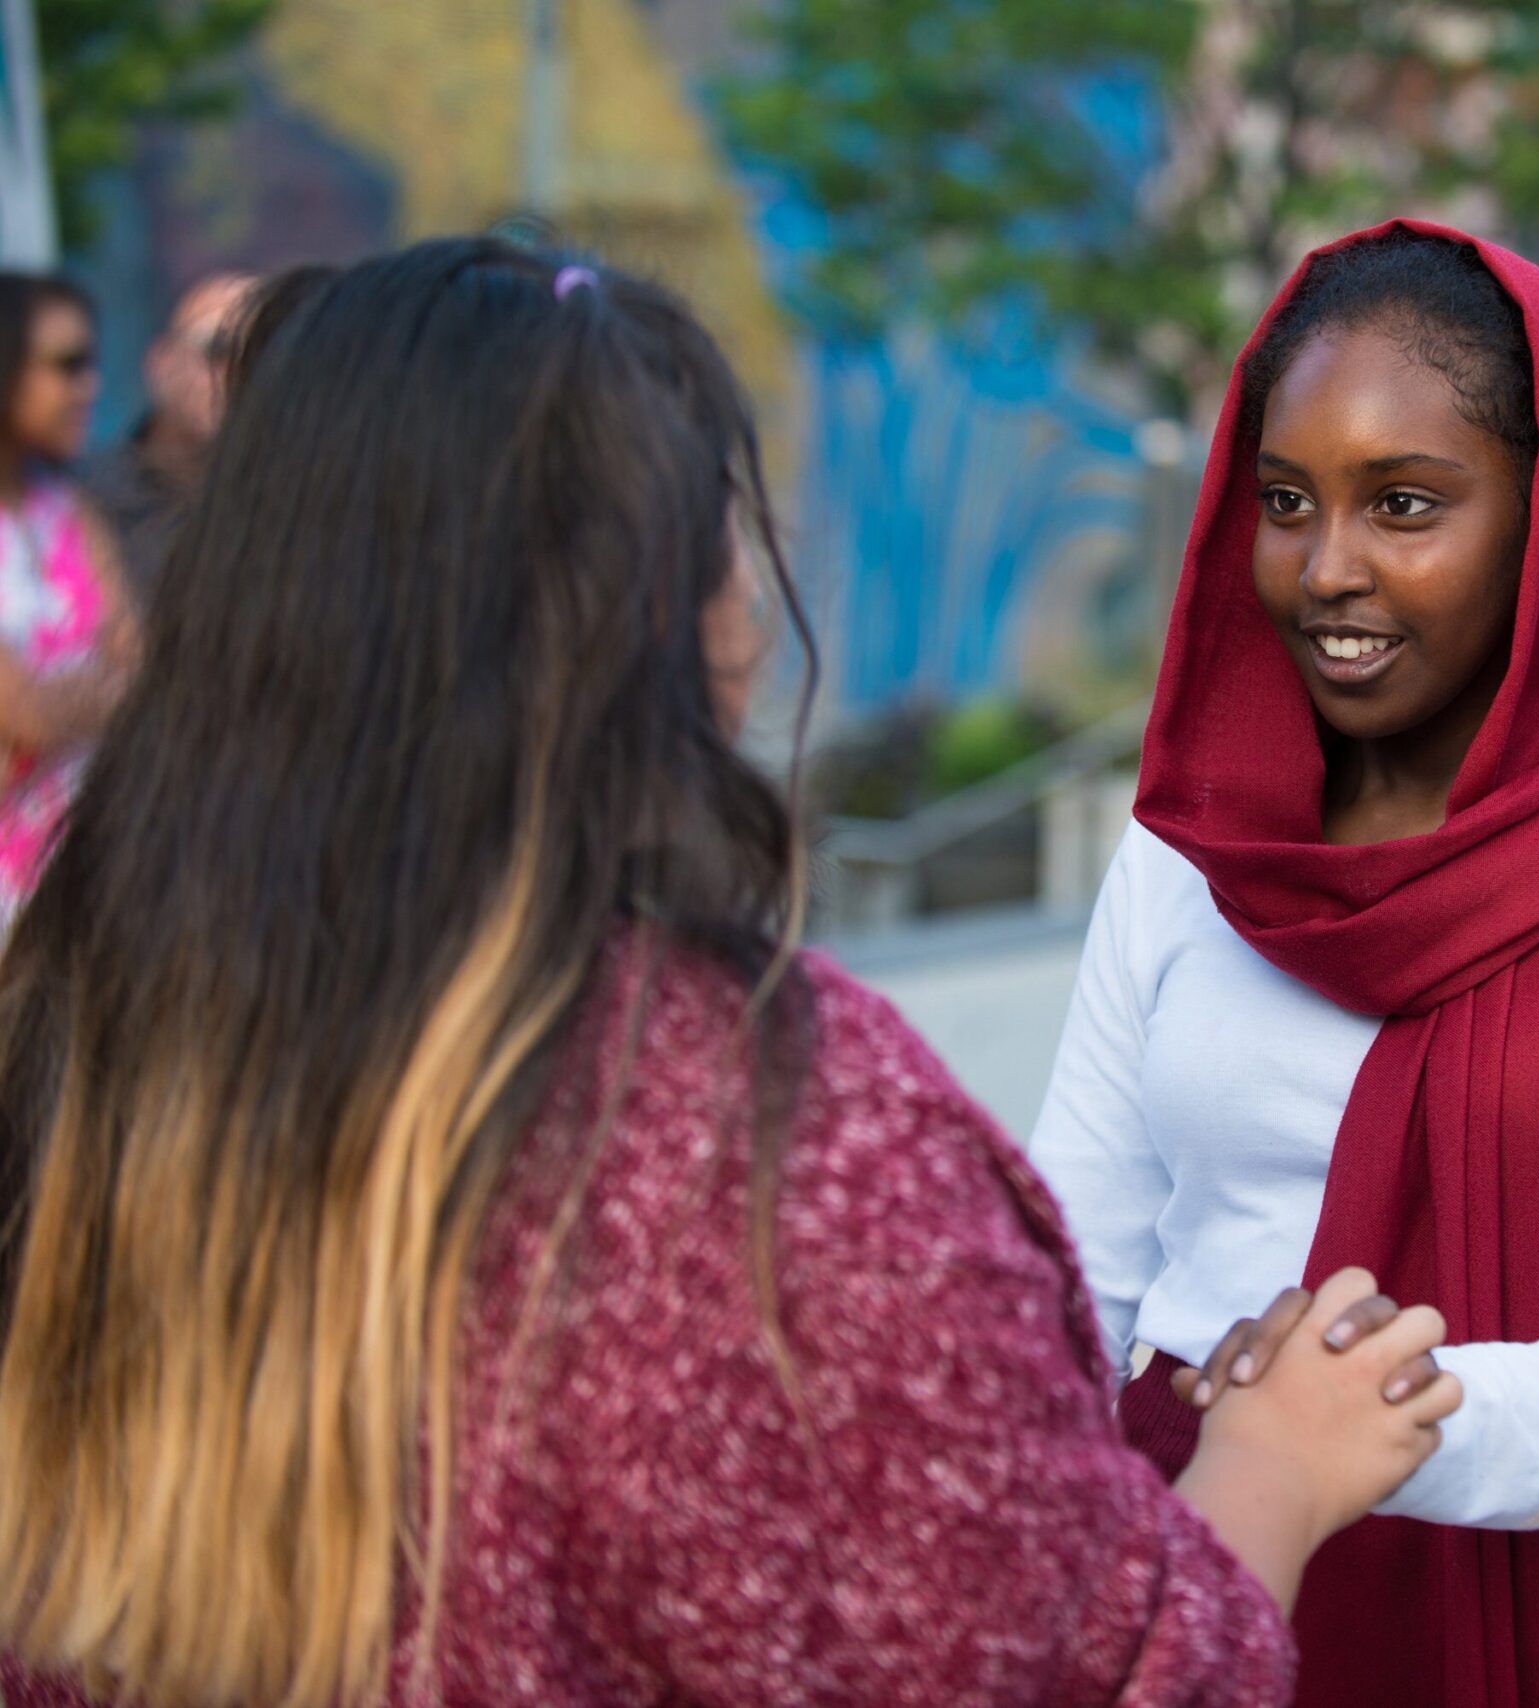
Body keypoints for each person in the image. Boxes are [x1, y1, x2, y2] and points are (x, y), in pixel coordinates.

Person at [0, 240, 1462, 1708]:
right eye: (723, 548)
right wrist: (1270, 1471)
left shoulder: (86, 1032)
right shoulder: (770, 1140)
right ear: (634, 619)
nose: (755, 614)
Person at [1028, 221, 1539, 1706]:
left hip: (1515, 1572)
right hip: (1174, 1546)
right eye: (1286, 503)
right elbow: (1072, 1266)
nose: (1328, 569)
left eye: (1405, 505)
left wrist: (1372, 1426)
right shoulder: (1188, 848)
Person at [0, 271, 129, 930]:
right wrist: (95, 693)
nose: (90, 388)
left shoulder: (73, 514)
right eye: (66, 365)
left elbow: (150, 673)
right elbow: (28, 714)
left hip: (100, 874)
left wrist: (49, 710)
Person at [84, 270, 256, 603]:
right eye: (218, 348)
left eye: (258, 354)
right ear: (161, 364)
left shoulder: (293, 498)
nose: (237, 371)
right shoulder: (84, 498)